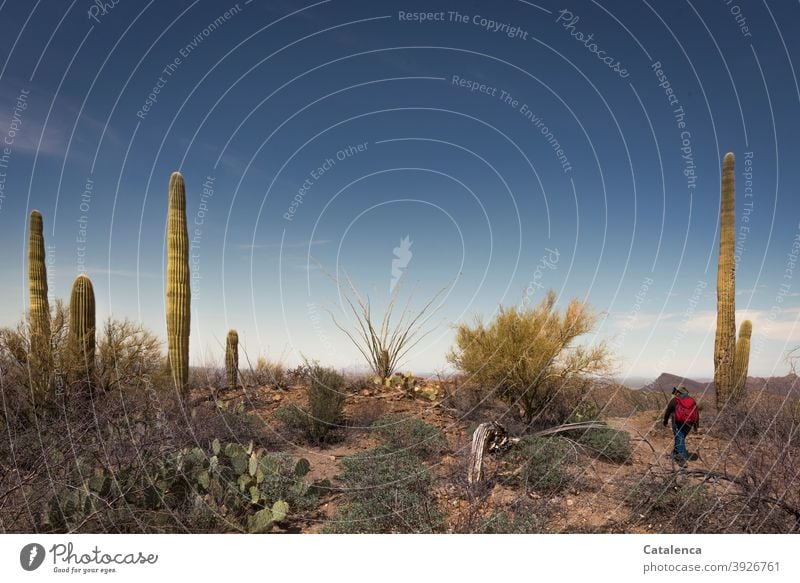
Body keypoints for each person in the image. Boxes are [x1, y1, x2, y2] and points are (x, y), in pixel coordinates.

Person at [662, 386, 699, 464]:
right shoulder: (692, 401)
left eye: (676, 392)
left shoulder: (674, 400)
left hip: (678, 423)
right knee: (680, 438)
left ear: (679, 393)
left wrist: (665, 421)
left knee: (680, 438)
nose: (675, 394)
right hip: (689, 424)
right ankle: (675, 453)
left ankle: (682, 459)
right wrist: (696, 426)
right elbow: (696, 414)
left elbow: (667, 412)